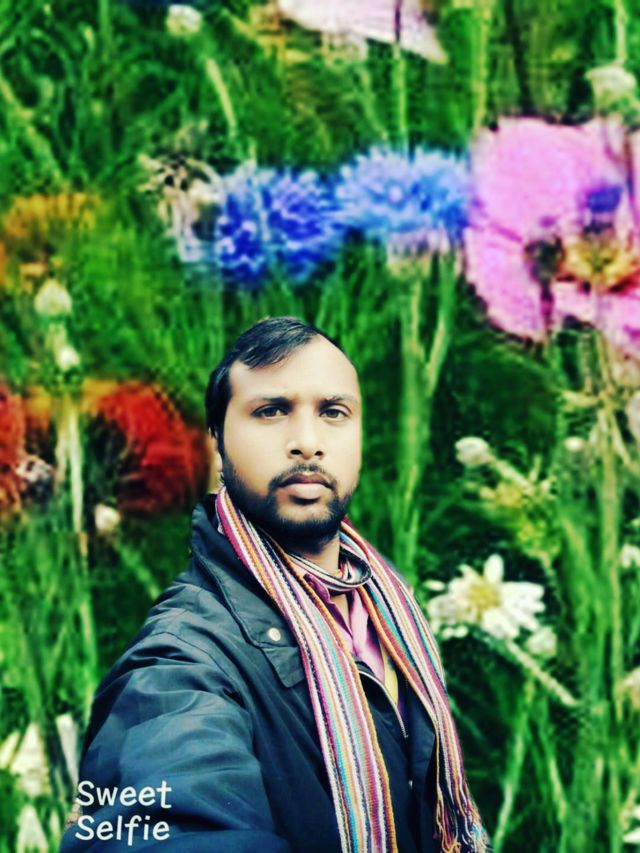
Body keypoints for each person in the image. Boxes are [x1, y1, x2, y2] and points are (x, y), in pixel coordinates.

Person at [61, 316, 489, 852]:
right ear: (216, 444)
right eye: (271, 411)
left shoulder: (388, 610)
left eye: (333, 412)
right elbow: (168, 822)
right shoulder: (179, 662)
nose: (306, 442)